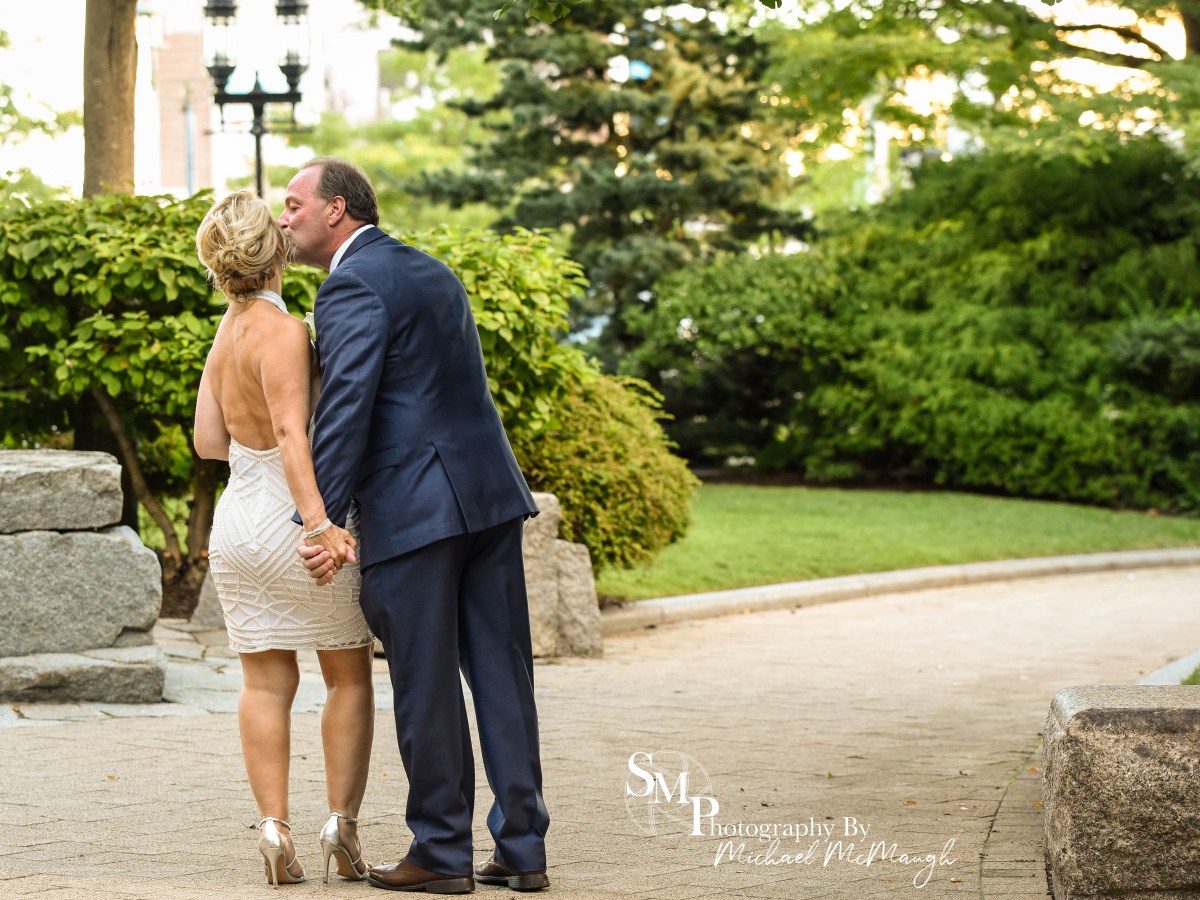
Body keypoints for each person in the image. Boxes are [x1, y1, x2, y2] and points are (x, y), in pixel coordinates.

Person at [279, 157, 551, 893]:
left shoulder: (350, 284)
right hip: (489, 498)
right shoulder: (431, 270)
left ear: (337, 210)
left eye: (294, 204)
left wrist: (322, 519)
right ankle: (523, 849)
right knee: (503, 678)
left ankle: (439, 851)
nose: (284, 217)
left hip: (415, 510)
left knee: (425, 683)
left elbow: (345, 411)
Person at [193, 190, 376, 888]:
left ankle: (274, 830)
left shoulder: (226, 332)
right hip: (291, 518)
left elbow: (210, 442)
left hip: (236, 523)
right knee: (347, 673)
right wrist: (320, 524)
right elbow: (295, 435)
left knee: (265, 683)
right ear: (276, 255)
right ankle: (342, 826)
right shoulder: (287, 331)